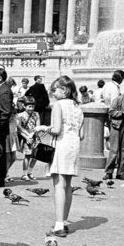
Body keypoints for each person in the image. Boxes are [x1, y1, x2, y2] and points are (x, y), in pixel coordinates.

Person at [40, 75, 84, 237]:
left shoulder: (58, 105)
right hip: (74, 146)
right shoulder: (78, 108)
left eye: (54, 90)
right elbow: (82, 135)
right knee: (68, 185)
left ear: (64, 90)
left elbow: (57, 129)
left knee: (59, 184)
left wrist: (43, 128)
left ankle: (58, 225)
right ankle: (64, 221)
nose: (52, 93)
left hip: (61, 145)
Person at [16, 99, 41, 181]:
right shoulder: (20, 115)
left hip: (35, 136)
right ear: (24, 106)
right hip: (26, 137)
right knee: (27, 156)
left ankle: (30, 172)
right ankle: (24, 174)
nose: (31, 108)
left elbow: (38, 126)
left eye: (33, 106)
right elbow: (19, 128)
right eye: (29, 106)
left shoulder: (36, 114)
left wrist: (33, 135)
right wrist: (27, 137)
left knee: (36, 155)